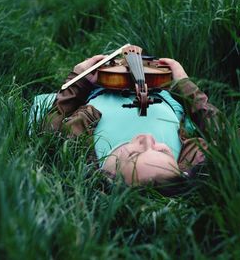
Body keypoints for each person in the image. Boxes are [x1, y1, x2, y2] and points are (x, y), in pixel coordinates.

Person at [44, 54, 220, 186]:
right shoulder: (186, 163)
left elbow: (51, 128)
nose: (147, 138)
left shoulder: (78, 150)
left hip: (101, 88)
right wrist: (183, 82)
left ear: (107, 174)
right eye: (163, 152)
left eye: (133, 154)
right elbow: (227, 137)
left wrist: (79, 79)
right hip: (159, 92)